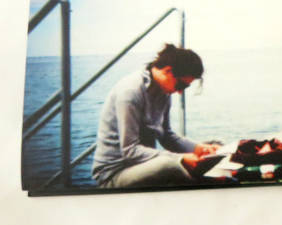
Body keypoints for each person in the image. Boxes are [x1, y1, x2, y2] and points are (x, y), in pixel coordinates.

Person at [92, 43, 218, 188]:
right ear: (168, 71)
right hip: (114, 173)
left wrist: (199, 148)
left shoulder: (163, 91)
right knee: (170, 165)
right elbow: (130, 151)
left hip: (141, 164)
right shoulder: (130, 92)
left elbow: (167, 136)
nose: (179, 92)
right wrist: (181, 159)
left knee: (215, 146)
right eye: (180, 85)